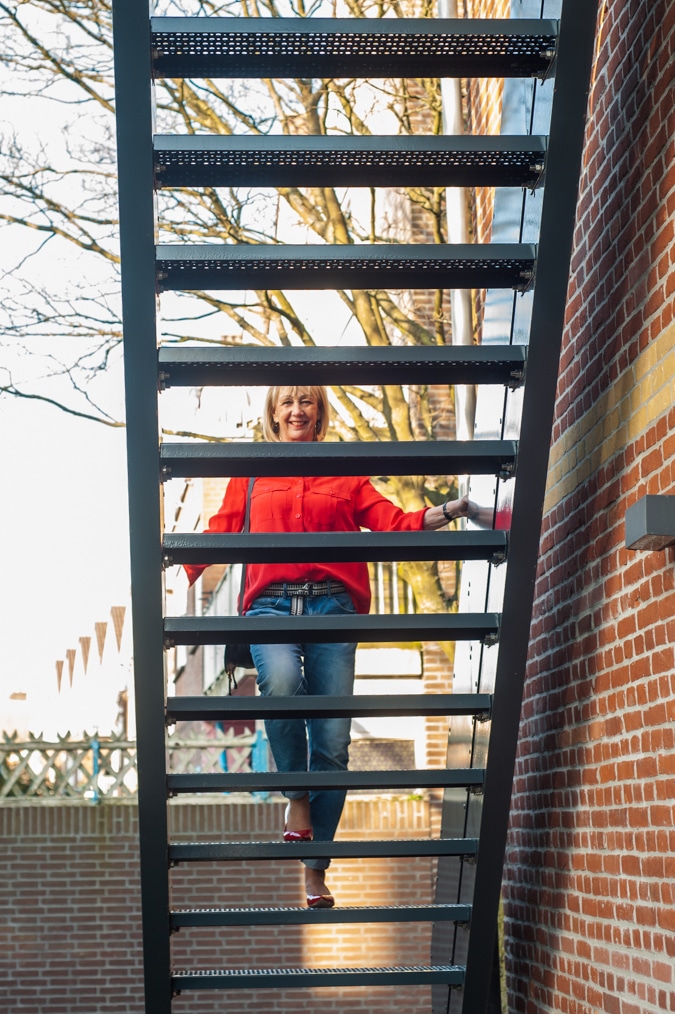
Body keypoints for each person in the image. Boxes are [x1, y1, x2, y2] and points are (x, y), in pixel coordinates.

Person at [184, 385, 475, 909]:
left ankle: (315, 869)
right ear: (273, 413)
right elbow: (220, 530)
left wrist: (441, 513)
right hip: (269, 605)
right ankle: (297, 799)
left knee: (334, 746)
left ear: (319, 413)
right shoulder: (251, 472)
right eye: (288, 402)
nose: (297, 410)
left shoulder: (346, 471)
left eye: (307, 402)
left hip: (332, 608)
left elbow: (392, 520)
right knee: (280, 683)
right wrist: (174, 564)